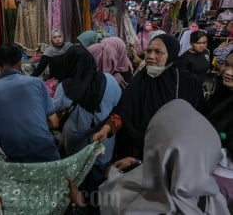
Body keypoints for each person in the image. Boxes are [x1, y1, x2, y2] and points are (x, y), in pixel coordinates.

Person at [99, 99, 230, 215]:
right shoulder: (215, 200)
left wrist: (114, 175)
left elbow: (107, 198)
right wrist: (138, 164)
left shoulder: (130, 202)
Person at [94, 34, 204, 159]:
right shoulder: (140, 80)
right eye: (148, 51)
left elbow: (194, 120)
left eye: (158, 52)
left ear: (171, 54)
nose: (151, 56)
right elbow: (124, 111)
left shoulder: (186, 83)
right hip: (133, 151)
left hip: (166, 153)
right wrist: (107, 129)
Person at [53, 45, 122, 206]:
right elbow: (118, 104)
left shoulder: (65, 87)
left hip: (76, 141)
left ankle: (81, 204)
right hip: (104, 140)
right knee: (101, 174)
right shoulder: (110, 80)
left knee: (79, 174)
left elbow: (55, 108)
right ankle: (99, 204)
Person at [0, 44, 60, 163]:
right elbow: (54, 122)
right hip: (46, 155)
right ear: (20, 63)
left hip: (14, 164)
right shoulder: (37, 83)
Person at [204, 45, 233, 203]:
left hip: (223, 179)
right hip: (205, 170)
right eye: (227, 65)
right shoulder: (221, 95)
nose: (228, 72)